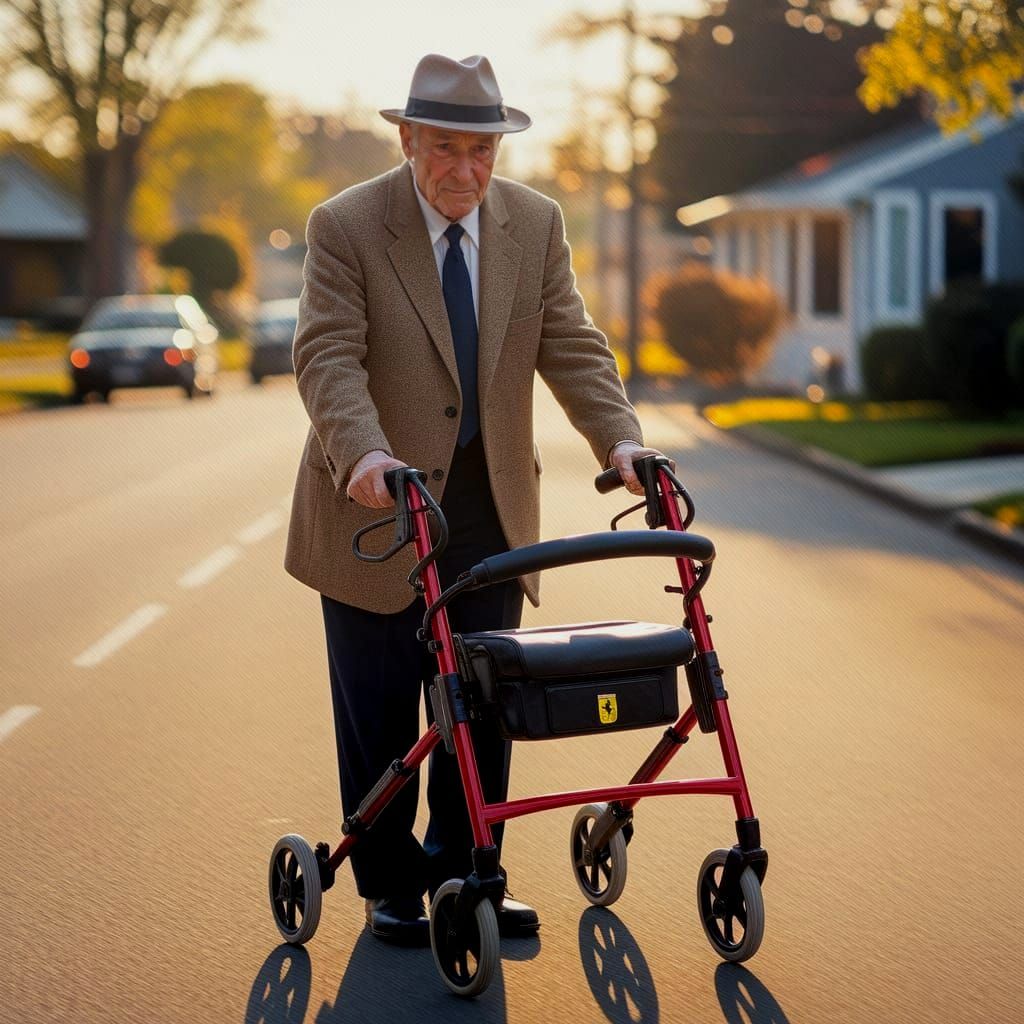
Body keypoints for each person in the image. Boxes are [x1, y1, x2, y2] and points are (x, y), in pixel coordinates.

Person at [285, 53, 667, 946]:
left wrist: (621, 440)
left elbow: (571, 341)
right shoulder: (346, 225)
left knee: (483, 704)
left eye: (481, 151)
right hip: (376, 511)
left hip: (489, 510)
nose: (465, 170)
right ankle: (389, 886)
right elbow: (327, 353)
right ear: (408, 139)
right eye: (446, 149)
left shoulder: (534, 223)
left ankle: (468, 873)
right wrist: (365, 452)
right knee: (380, 713)